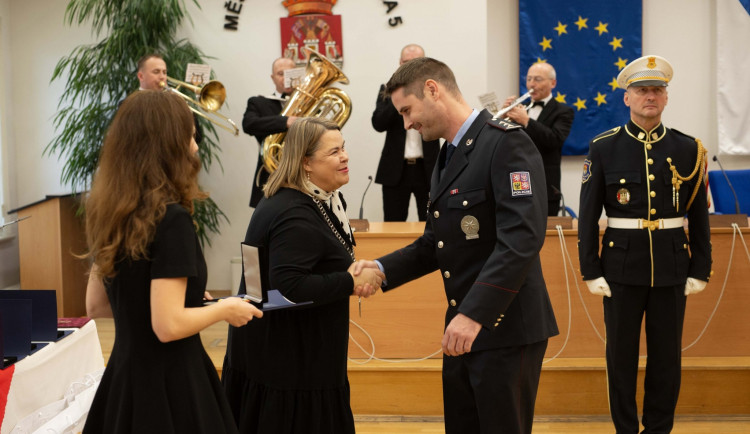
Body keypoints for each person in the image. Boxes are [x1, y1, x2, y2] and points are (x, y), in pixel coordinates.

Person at [355, 57, 558, 434]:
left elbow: (522, 238)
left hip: (503, 325)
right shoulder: (449, 153)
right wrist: (381, 269)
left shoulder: (506, 143)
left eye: (407, 110)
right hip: (464, 325)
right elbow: (438, 240)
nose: (406, 123)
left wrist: (475, 313)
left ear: (433, 89)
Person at [82, 90, 263, 434]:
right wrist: (225, 310)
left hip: (124, 378)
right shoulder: (171, 219)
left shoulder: (111, 213)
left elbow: (97, 304)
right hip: (171, 384)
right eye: (191, 136)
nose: (195, 147)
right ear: (166, 144)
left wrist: (191, 299)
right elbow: (167, 326)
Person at [222, 117, 384, 434]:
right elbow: (290, 286)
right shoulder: (293, 213)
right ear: (306, 162)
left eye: (344, 148)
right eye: (334, 151)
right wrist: (350, 282)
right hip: (290, 361)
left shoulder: (295, 199)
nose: (345, 156)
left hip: (270, 349)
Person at [577, 55, 712, 434]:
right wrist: (590, 268)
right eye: (641, 90)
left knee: (666, 359)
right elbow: (587, 216)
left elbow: (698, 216)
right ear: (627, 98)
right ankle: (625, 429)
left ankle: (658, 429)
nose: (649, 96)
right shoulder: (604, 147)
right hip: (619, 269)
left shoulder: (689, 150)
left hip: (672, 267)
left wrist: (701, 267)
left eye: (657, 90)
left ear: (666, 98)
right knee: (620, 358)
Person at [371, 44, 440, 221]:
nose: (410, 67)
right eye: (407, 62)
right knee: (393, 224)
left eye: (416, 63)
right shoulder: (387, 89)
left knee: (430, 224)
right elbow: (378, 123)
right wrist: (399, 94)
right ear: (399, 63)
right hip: (395, 170)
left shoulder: (433, 90)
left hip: (427, 169)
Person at [502, 62, 574, 216]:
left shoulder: (564, 111)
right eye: (529, 79)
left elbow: (555, 139)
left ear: (553, 83)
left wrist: (527, 122)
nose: (531, 84)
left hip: (546, 186)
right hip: (517, 183)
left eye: (538, 79)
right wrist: (502, 116)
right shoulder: (522, 108)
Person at [243, 57, 299, 207]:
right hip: (270, 175)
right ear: (272, 77)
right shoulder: (259, 103)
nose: (286, 78)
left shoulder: (312, 102)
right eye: (281, 74)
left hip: (302, 176)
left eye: (290, 73)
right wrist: (284, 122)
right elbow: (248, 124)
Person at [135, 52, 203, 144]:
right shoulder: (127, 103)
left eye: (164, 72)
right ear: (141, 76)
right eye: (156, 72)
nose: (162, 77)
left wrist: (184, 109)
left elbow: (197, 139)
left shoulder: (171, 102)